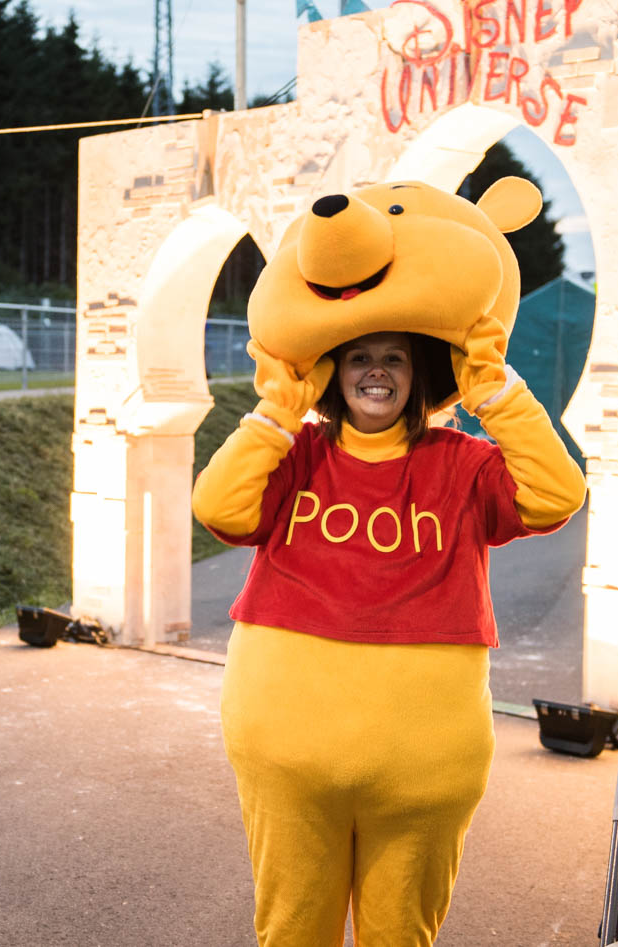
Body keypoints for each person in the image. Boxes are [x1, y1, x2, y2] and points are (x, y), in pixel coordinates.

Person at [194, 318, 585, 944]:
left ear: (420, 375)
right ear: (332, 374)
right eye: (358, 358)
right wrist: (277, 412)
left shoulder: (464, 463)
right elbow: (219, 508)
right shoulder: (295, 454)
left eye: (395, 359)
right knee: (291, 931)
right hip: (289, 756)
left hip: (423, 769)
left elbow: (557, 495)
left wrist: (495, 392)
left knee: (402, 935)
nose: (376, 371)